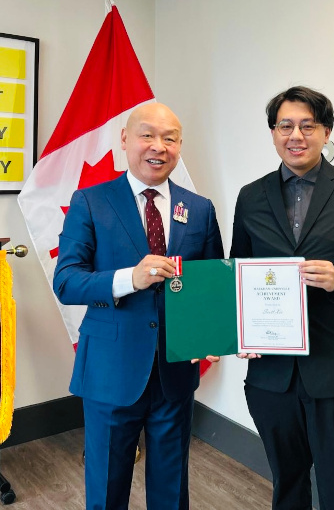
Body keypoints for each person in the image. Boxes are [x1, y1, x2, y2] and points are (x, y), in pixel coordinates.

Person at [230, 86, 334, 510]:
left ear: (327, 132)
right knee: (287, 484)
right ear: (273, 133)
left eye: (308, 126)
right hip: (271, 374)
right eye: (285, 126)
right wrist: (238, 333)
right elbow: (236, 272)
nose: (296, 135)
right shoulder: (251, 196)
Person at [53, 102, 224, 510]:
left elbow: (212, 284)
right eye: (147, 135)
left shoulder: (199, 208)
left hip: (175, 373)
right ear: (125, 140)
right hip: (110, 371)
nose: (158, 146)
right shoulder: (90, 201)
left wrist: (213, 334)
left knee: (171, 490)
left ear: (179, 146)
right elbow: (67, 281)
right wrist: (130, 278)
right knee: (106, 490)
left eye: (170, 138)